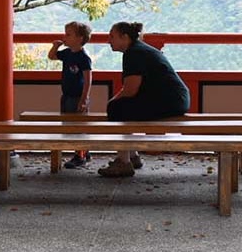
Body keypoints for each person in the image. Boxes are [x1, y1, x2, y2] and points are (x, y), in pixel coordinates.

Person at [98, 21, 190, 178]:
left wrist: (111, 103)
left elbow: (130, 90)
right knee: (120, 107)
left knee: (117, 109)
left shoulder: (134, 53)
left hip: (170, 100)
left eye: (112, 36)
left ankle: (123, 162)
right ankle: (131, 156)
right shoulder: (138, 49)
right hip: (175, 98)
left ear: (125, 37)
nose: (109, 41)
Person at [48, 20, 94, 169]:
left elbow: (88, 79)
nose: (65, 37)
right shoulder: (67, 53)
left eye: (68, 35)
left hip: (78, 96)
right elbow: (52, 56)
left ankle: (80, 155)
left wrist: (84, 98)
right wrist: (55, 46)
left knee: (78, 126)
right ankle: (84, 152)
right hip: (67, 95)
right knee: (68, 124)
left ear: (80, 38)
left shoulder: (83, 57)